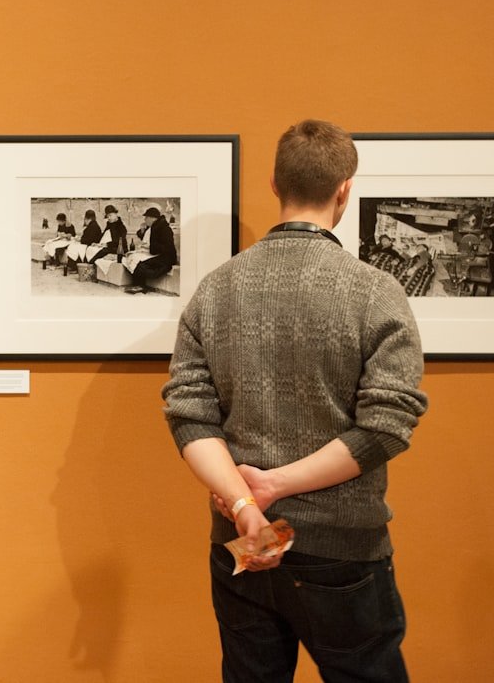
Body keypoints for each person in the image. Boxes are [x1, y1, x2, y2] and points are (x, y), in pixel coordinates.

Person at [161, 119, 428, 683]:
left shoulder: (216, 288)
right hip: (343, 549)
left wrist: (246, 504)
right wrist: (274, 485)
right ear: (344, 190)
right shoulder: (375, 291)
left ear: (275, 185)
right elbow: (386, 427)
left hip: (242, 540)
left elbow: (189, 415)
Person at [124, 206, 177, 293]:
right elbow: (143, 236)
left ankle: (141, 286)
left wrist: (151, 247)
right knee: (134, 258)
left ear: (152, 218)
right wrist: (142, 231)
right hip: (157, 254)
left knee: (140, 264)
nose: (144, 219)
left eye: (146, 217)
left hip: (166, 257)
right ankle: (138, 285)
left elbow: (167, 247)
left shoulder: (165, 229)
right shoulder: (153, 227)